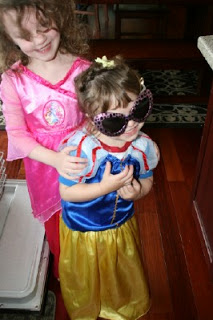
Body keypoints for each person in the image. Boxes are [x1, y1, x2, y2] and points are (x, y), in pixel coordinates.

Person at [58, 55, 160, 320]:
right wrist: (106, 186)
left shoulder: (142, 146)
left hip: (121, 225)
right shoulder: (82, 151)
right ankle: (88, 306)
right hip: (85, 230)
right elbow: (67, 193)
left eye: (139, 110)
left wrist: (139, 191)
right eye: (117, 121)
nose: (133, 124)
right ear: (94, 119)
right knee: (87, 273)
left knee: (118, 269)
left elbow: (148, 178)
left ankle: (118, 302)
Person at [0, 0, 90, 279]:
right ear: (9, 40)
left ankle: (89, 267)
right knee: (56, 226)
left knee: (87, 217)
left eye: (43, 27)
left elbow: (94, 116)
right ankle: (67, 272)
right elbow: (16, 134)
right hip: (45, 169)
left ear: (59, 16)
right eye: (26, 37)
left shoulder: (84, 69)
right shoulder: (12, 81)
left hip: (83, 160)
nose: (39, 40)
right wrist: (55, 159)